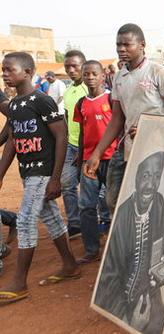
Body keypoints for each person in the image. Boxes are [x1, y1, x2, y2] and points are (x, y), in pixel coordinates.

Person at [0, 52, 81, 304]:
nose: (4, 74)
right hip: (28, 172)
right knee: (50, 216)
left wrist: (56, 178)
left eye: (9, 69)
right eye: (2, 70)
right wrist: (1, 174)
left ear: (27, 72)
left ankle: (19, 282)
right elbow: (12, 141)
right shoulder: (14, 105)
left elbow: (61, 135)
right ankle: (70, 265)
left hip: (43, 172)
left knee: (24, 221)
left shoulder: (42, 100)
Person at [83, 24, 164, 211]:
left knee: (151, 201)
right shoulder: (119, 76)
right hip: (127, 148)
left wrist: (151, 128)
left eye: (127, 45)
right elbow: (117, 119)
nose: (121, 49)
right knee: (114, 201)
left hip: (155, 149)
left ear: (142, 45)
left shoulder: (158, 72)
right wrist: (97, 153)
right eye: (118, 45)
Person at [94, 151, 164, 334]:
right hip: (121, 297)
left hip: (150, 290)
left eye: (156, 177)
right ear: (136, 176)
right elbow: (110, 276)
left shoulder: (159, 203)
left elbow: (160, 251)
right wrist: (128, 319)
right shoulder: (122, 216)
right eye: (145, 176)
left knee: (161, 319)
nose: (151, 185)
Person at [73, 60, 117, 264]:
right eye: (86, 74)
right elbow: (83, 131)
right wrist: (81, 156)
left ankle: (117, 246)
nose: (90, 77)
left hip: (111, 159)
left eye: (93, 73)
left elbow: (118, 127)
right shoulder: (81, 103)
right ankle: (91, 249)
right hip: (89, 162)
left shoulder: (111, 98)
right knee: (86, 206)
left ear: (102, 76)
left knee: (113, 204)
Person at [62, 50, 89, 238]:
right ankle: (75, 224)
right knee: (66, 184)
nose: (71, 70)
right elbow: (65, 117)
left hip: (88, 147)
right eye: (67, 67)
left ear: (84, 65)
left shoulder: (90, 89)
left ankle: (100, 219)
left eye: (75, 66)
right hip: (70, 145)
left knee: (91, 187)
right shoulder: (68, 90)